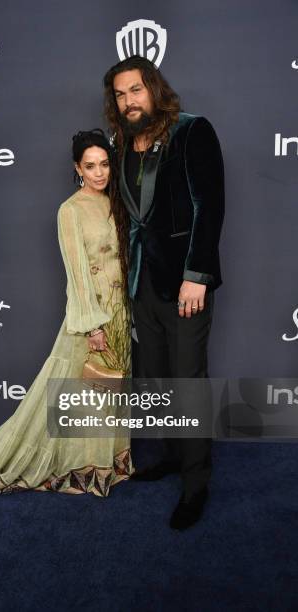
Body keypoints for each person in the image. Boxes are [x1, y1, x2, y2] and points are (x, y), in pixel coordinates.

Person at [0, 129, 133, 498]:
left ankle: (105, 459)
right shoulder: (70, 210)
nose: (99, 173)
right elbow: (77, 272)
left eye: (104, 164)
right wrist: (92, 325)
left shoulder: (115, 201)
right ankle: (80, 465)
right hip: (92, 316)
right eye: (90, 166)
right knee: (83, 390)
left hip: (120, 313)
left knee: (108, 390)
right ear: (76, 168)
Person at [103, 55, 225, 529]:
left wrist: (197, 275)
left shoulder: (193, 131)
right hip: (142, 287)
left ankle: (196, 484)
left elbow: (208, 206)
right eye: (120, 94)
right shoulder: (122, 145)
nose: (129, 101)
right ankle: (174, 456)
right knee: (155, 380)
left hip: (184, 284)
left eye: (136, 90)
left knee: (187, 381)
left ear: (154, 89)